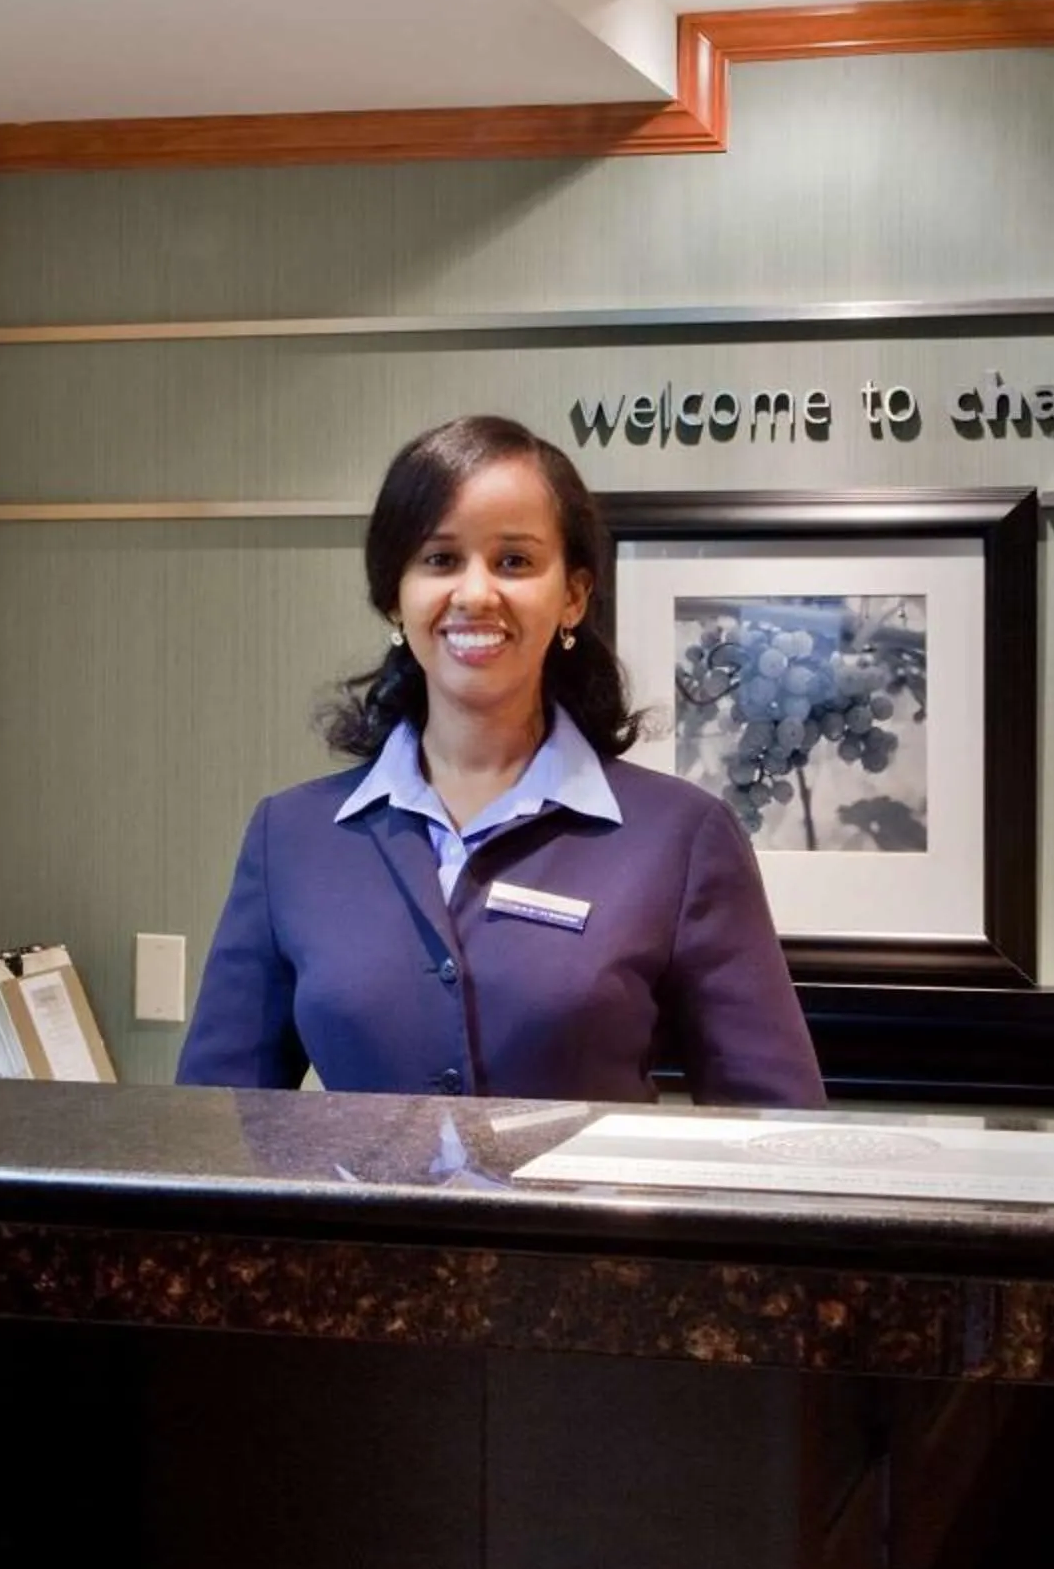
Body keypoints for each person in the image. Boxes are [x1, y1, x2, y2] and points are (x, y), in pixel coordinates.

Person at [175, 415, 826, 1105]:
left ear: (573, 596)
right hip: (357, 1218)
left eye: (514, 561)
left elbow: (774, 1130)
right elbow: (217, 1124)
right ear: (394, 595)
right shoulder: (293, 839)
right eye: (440, 559)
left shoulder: (681, 838)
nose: (476, 593)